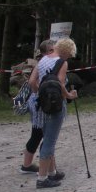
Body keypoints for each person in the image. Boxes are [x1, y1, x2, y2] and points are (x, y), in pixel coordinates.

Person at [28, 38, 78, 189]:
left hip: (41, 105)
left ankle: (52, 172)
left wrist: (39, 94)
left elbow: (31, 82)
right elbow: (60, 84)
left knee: (47, 136)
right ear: (66, 51)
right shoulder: (62, 62)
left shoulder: (42, 60)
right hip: (55, 106)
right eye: (70, 54)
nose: (69, 57)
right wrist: (70, 95)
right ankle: (42, 179)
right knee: (50, 141)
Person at [20, 39, 54, 174]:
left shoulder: (42, 62)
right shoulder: (44, 63)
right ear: (46, 51)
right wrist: (41, 92)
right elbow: (32, 82)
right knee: (46, 134)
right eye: (52, 49)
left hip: (38, 102)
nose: (54, 51)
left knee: (38, 133)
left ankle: (27, 165)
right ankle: (49, 169)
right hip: (40, 103)